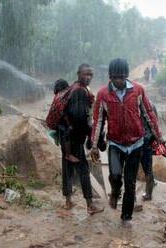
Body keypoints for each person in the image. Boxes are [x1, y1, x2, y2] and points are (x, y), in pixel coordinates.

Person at [91, 58, 164, 227]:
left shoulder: (138, 90)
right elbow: (98, 120)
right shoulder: (103, 94)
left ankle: (126, 217)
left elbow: (149, 115)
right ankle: (115, 191)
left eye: (122, 77)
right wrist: (94, 145)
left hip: (136, 144)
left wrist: (158, 136)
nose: (119, 81)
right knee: (115, 176)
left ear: (127, 75)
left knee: (130, 183)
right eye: (115, 78)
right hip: (115, 144)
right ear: (110, 77)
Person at [61, 64, 104, 215]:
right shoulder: (79, 91)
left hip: (66, 137)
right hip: (74, 139)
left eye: (91, 75)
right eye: (86, 74)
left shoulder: (74, 88)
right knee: (84, 171)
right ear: (78, 73)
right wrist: (91, 135)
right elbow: (80, 117)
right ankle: (90, 205)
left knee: (67, 170)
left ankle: (68, 201)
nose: (88, 77)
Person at [51, 79, 80, 163]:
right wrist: (70, 124)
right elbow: (63, 113)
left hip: (56, 123)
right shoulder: (63, 97)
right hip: (62, 123)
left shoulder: (57, 96)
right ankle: (68, 155)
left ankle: (57, 138)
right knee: (68, 133)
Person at [141, 104, 158, 201]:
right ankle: (148, 194)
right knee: (148, 168)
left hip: (138, 140)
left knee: (144, 168)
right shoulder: (151, 105)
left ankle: (148, 194)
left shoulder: (131, 103)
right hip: (147, 139)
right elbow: (155, 123)